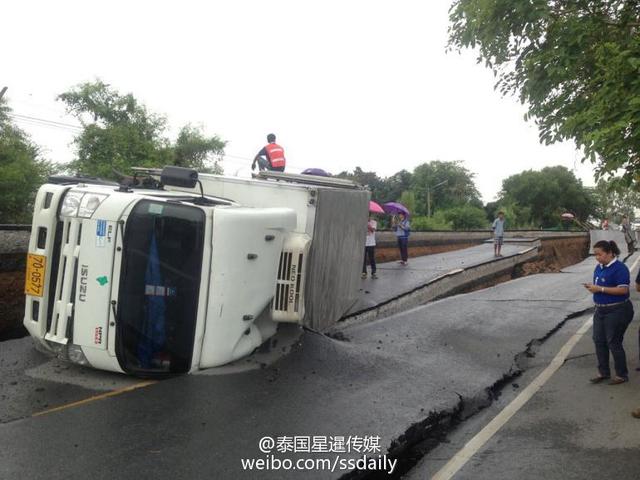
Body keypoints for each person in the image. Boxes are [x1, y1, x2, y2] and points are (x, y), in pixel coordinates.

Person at [583, 240, 633, 385]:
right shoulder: (599, 267)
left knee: (613, 342)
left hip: (617, 310)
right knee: (599, 340)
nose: (597, 257)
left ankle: (621, 374)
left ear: (610, 253)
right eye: (595, 255)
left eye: (600, 254)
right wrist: (593, 287)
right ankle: (603, 372)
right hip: (601, 309)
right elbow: (599, 285)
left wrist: (600, 289)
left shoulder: (620, 268)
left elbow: (623, 290)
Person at [362, 214, 377, 279]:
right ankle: (364, 272)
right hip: (364, 243)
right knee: (363, 259)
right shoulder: (362, 221)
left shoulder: (374, 222)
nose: (368, 217)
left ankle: (373, 272)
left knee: (372, 258)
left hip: (371, 243)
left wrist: (368, 225)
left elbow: (372, 230)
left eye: (369, 216)